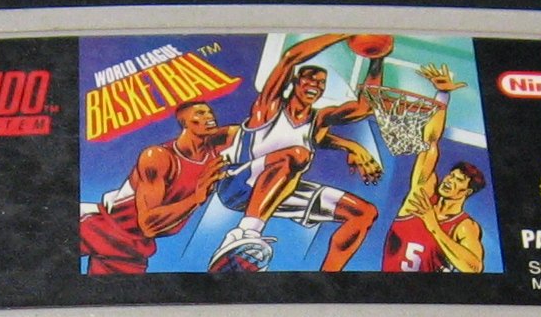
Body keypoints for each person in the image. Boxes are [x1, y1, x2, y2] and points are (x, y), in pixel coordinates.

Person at [205, 33, 382, 272]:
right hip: (237, 184)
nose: (315, 85)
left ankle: (330, 276)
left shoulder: (317, 121)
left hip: (278, 190)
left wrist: (377, 59)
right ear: (295, 82)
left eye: (321, 83)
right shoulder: (268, 108)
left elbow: (365, 107)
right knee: (298, 155)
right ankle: (243, 234)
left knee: (363, 213)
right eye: (310, 79)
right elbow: (290, 57)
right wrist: (343, 32)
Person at [79, 101, 239, 273]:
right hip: (97, 225)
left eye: (209, 112)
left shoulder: (215, 148)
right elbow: (148, 225)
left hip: (131, 251)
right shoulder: (158, 157)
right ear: (184, 122)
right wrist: (196, 199)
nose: (209, 116)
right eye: (200, 113)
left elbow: (255, 128)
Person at [380, 63, 486, 273]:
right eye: (451, 176)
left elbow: (474, 268)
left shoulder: (464, 226)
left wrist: (433, 226)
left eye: (458, 180)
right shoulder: (420, 198)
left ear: (467, 192)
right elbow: (430, 143)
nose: (449, 180)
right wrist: (442, 95)